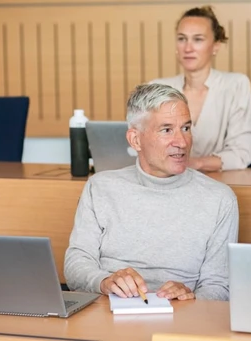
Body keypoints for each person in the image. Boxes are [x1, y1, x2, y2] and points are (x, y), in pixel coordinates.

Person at [64, 83, 239, 301]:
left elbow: (219, 285)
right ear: (135, 140)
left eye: (186, 128)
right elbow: (76, 264)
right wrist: (104, 282)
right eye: (167, 130)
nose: (182, 142)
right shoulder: (100, 187)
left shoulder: (220, 199)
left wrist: (192, 298)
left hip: (180, 322)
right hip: (107, 314)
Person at [150, 6, 251, 171]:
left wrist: (196, 163)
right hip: (165, 182)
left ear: (215, 46)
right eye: (182, 38)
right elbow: (144, 146)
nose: (188, 48)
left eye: (197, 39)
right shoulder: (155, 89)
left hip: (219, 183)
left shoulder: (236, 85)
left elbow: (241, 154)